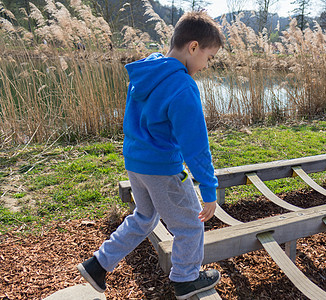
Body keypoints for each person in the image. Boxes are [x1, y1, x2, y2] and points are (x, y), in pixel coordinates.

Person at [77, 11, 224, 300]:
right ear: (193, 47)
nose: (207, 65)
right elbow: (196, 146)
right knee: (191, 224)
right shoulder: (182, 85)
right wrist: (208, 189)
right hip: (163, 167)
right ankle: (186, 279)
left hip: (136, 162)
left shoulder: (146, 71)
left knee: (144, 216)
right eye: (209, 57)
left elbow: (133, 119)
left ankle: (98, 264)